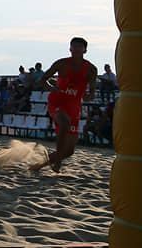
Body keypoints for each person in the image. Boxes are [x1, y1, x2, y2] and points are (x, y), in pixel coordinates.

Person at [29, 37, 98, 173]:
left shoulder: (91, 69)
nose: (77, 49)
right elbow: (43, 79)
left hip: (74, 106)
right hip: (57, 101)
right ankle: (58, 161)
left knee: (69, 151)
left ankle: (38, 166)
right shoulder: (62, 63)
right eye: (74, 46)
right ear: (70, 49)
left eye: (80, 47)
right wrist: (50, 87)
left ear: (85, 50)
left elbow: (93, 91)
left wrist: (90, 96)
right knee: (64, 123)